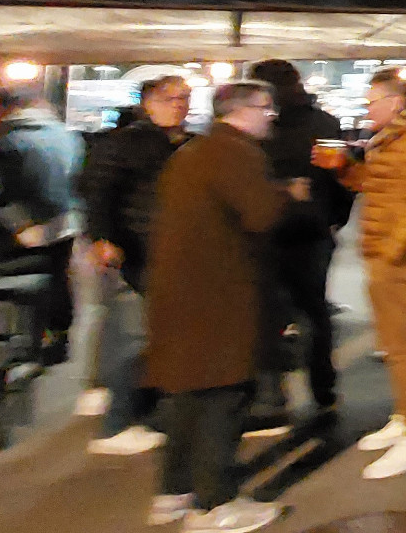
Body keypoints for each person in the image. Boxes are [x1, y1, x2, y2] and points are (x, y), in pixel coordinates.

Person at [143, 82, 295, 532]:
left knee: (186, 397)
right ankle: (214, 504)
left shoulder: (193, 151)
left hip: (179, 291)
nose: (271, 115)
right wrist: (290, 193)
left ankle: (174, 492)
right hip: (219, 294)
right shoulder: (236, 153)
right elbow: (261, 214)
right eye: (265, 107)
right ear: (241, 111)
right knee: (223, 395)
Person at [314, 68, 406, 479]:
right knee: (392, 343)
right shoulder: (391, 138)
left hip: (400, 258)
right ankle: (405, 417)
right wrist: (343, 168)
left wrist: (391, 253)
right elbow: (375, 185)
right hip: (385, 254)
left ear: (395, 102)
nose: (367, 110)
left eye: (372, 103)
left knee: (402, 345)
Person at [80, 75, 194, 456]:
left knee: (154, 334)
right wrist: (102, 237)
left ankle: (144, 412)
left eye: (184, 98)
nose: (178, 105)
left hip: (169, 251)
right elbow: (98, 191)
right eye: (170, 98)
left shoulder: (185, 143)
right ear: (149, 103)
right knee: (137, 337)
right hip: (139, 249)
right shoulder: (127, 143)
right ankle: (118, 423)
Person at [247, 60, 346, 420]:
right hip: (313, 229)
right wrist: (335, 219)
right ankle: (323, 388)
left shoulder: (258, 129)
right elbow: (340, 178)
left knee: (266, 313)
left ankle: (271, 395)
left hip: (268, 232)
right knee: (314, 311)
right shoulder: (325, 124)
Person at [0, 86, 83, 364]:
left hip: (29, 226)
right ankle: (57, 337)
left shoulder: (11, 139)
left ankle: (19, 342)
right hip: (66, 221)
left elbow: (4, 188)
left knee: (20, 283)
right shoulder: (67, 135)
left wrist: (17, 224)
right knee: (58, 279)